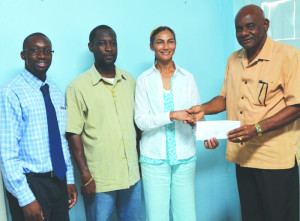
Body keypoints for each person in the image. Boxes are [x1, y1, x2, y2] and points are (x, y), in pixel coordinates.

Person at [188, 5, 300, 221]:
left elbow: (296, 107)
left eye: (250, 27)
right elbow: (226, 98)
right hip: (244, 157)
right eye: (239, 28)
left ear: (265, 25)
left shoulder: (288, 56)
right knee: (251, 215)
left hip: (275, 159)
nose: (244, 33)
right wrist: (201, 109)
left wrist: (257, 129)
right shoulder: (233, 59)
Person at [134, 26, 218, 221]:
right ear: (151, 46)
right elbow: (141, 121)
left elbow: (198, 114)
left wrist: (206, 135)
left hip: (185, 157)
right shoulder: (144, 80)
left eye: (170, 41)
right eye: (160, 42)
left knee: (186, 216)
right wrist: (171, 114)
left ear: (175, 44)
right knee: (157, 217)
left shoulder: (187, 78)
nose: (166, 46)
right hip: (154, 159)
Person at [65, 25, 143, 221]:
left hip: (131, 176)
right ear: (91, 47)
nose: (109, 48)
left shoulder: (129, 81)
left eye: (113, 43)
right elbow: (73, 133)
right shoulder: (78, 87)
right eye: (102, 44)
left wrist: (140, 163)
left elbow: (137, 125)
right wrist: (85, 175)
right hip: (99, 180)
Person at [0, 33, 77, 221]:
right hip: (30, 184)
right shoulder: (11, 92)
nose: (42, 56)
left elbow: (61, 140)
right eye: (35, 50)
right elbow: (7, 152)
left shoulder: (56, 90)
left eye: (46, 51)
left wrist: (69, 180)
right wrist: (25, 198)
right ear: (23, 55)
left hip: (58, 181)